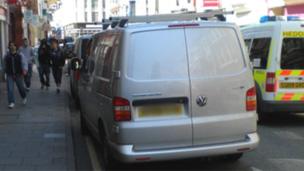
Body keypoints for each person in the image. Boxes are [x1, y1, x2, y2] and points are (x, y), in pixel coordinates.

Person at [4, 42, 28, 109]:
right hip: (10, 74)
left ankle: (24, 97)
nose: (12, 47)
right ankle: (11, 102)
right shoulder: (6, 56)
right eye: (10, 46)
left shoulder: (20, 55)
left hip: (18, 74)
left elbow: (24, 63)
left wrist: (25, 70)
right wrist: (4, 72)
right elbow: (4, 65)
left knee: (21, 88)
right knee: (10, 89)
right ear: (9, 47)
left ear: (15, 47)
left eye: (13, 45)